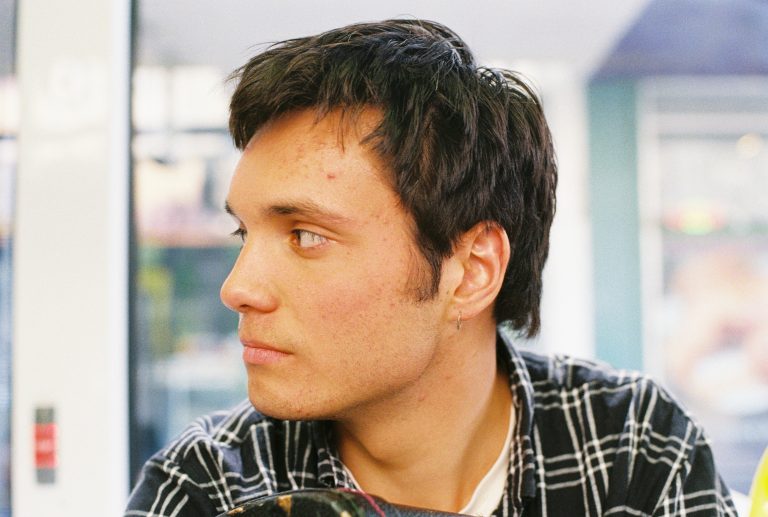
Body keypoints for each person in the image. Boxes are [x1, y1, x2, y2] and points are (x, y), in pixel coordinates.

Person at [125, 19, 737, 516]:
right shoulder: (208, 487)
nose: (237, 288)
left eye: (306, 236)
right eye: (244, 233)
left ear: (471, 271)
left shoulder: (631, 449)